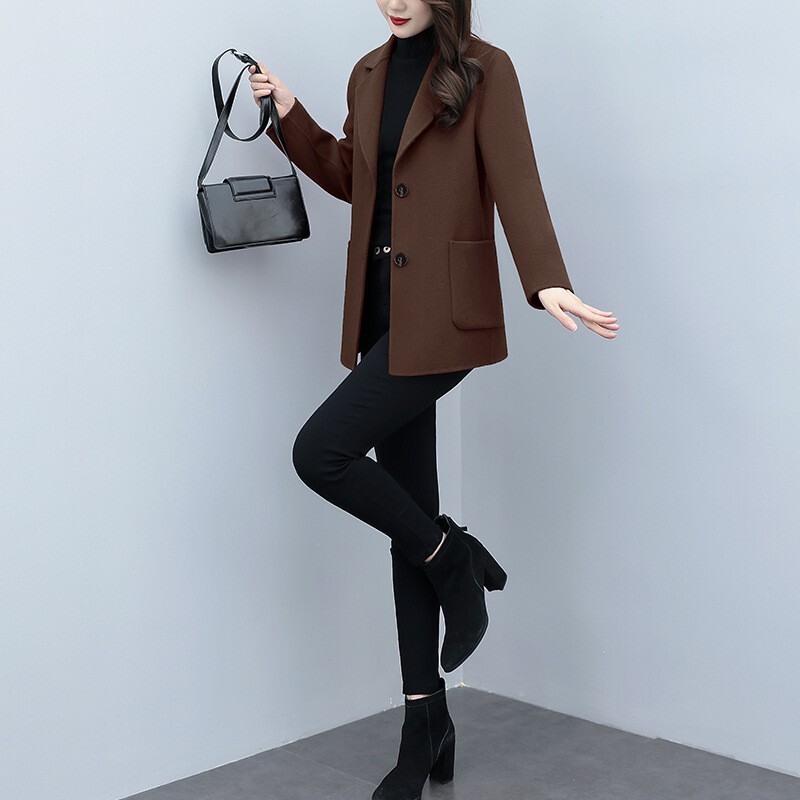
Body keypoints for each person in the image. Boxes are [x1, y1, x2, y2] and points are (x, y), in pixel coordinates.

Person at [249, 2, 619, 798]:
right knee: (406, 515)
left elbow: (516, 179)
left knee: (320, 451)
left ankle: (452, 560)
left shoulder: (486, 68)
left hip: (444, 316)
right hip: (382, 313)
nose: (394, 0)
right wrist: (289, 113)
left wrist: (546, 280)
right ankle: (427, 721)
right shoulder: (369, 72)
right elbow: (353, 175)